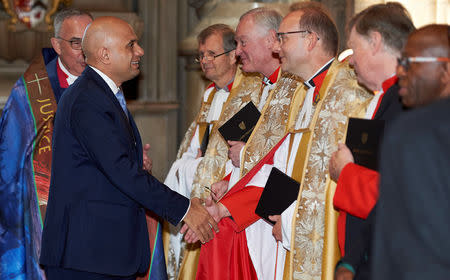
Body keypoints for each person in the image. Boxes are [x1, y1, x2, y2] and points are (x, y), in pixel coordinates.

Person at [39, 16, 218, 280]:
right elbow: (121, 171)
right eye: (131, 45)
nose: (140, 51)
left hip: (100, 253)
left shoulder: (101, 94)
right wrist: (185, 209)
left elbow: (109, 166)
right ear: (105, 54)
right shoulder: (88, 99)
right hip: (87, 256)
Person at [202, 4, 372, 279]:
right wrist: (275, 214)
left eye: (283, 38)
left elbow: (334, 178)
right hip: (289, 222)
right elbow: (282, 164)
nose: (277, 48)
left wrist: (290, 220)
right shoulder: (303, 94)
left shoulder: (349, 92)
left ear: (310, 40)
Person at [178, 8, 286, 280]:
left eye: (242, 42)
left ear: (272, 39)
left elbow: (288, 164)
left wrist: (228, 206)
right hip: (245, 205)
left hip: (267, 215)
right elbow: (259, 155)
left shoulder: (289, 89)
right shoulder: (263, 87)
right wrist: (228, 180)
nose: (237, 52)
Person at [163, 23, 262, 279]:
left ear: (233, 55)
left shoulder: (251, 91)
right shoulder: (209, 93)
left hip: (228, 197)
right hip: (200, 185)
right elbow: (195, 145)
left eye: (211, 54)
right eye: (201, 55)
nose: (204, 61)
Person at [0, 8, 92, 279]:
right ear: (56, 45)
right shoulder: (28, 93)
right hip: (51, 214)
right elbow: (9, 166)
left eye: (91, 41)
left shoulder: (109, 82)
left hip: (97, 216)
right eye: (77, 43)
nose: (86, 51)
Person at [327, 3, 415, 279]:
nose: (350, 60)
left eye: (354, 49)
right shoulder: (387, 97)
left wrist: (346, 172)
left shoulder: (408, 103)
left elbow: (403, 196)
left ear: (375, 42)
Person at [372, 24, 450, 280]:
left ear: (446, 69)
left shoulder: (413, 131)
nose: (400, 72)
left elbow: (410, 238)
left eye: (410, 62)